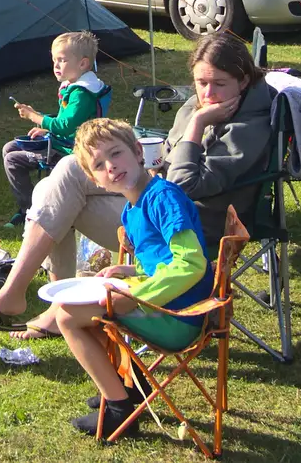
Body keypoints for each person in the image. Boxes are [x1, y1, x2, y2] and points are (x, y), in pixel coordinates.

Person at [0, 33, 271, 339]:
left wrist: (197, 126)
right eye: (201, 82)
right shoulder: (198, 106)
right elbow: (169, 158)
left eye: (219, 83)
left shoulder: (247, 126)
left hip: (182, 230)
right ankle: (44, 302)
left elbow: (184, 185)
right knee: (57, 183)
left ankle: (37, 302)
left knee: (65, 185)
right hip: (154, 203)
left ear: (243, 81)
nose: (207, 93)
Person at [54, 119, 213, 438]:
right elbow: (162, 263)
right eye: (99, 164)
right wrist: (131, 272)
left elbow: (191, 264)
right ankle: (127, 383)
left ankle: (118, 408)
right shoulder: (132, 208)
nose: (111, 166)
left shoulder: (162, 197)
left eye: (116, 154)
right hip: (168, 307)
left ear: (138, 151)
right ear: (94, 178)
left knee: (67, 316)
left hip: (179, 317)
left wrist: (139, 297)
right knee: (81, 306)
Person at [2, 31, 110, 228]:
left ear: (83, 64)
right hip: (65, 140)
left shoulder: (82, 93)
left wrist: (35, 117)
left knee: (12, 158)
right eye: (54, 60)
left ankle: (29, 210)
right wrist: (43, 121)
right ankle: (31, 204)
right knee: (10, 147)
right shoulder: (78, 85)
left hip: (72, 150)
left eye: (62, 60)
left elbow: (65, 126)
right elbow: (66, 120)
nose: (56, 65)